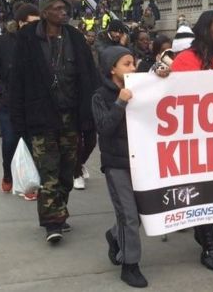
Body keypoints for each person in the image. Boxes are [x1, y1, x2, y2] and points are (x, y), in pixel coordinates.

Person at [9, 0, 99, 244]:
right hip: (41, 118)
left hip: (70, 116)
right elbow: (17, 81)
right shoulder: (27, 39)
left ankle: (59, 210)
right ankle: (52, 222)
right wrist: (18, 121)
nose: (63, 12)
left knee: (66, 171)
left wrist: (90, 115)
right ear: (45, 12)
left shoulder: (75, 38)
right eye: (57, 8)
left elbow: (89, 76)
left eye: (65, 8)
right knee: (48, 170)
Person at [168, 10, 213, 272]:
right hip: (196, 141)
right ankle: (209, 246)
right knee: (204, 194)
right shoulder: (188, 59)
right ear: (205, 30)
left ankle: (203, 234)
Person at [92, 46, 148, 288]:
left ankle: (115, 235)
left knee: (140, 215)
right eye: (127, 64)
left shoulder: (141, 89)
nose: (133, 68)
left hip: (141, 161)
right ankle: (130, 265)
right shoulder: (100, 97)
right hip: (116, 163)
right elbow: (104, 128)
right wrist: (119, 103)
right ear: (112, 68)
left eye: (134, 63)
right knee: (128, 216)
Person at [0, 3, 41, 195]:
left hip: (34, 101)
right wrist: (1, 90)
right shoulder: (1, 43)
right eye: (31, 23)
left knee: (34, 143)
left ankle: (30, 181)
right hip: (10, 102)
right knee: (10, 142)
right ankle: (8, 174)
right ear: (20, 22)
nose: (36, 27)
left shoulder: (41, 41)